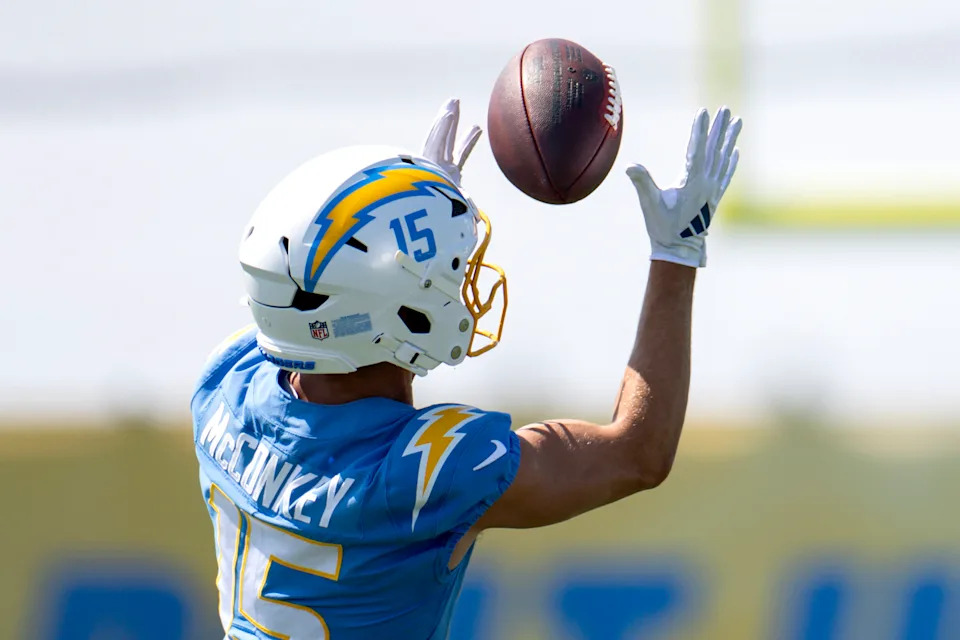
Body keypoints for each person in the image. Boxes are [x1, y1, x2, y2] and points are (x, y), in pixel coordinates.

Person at [191, 98, 741, 639]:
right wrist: (677, 252)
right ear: (394, 310)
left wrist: (405, 225)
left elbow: (315, 315)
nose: (462, 283)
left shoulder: (226, 384)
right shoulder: (415, 475)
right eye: (450, 270)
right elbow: (636, 454)